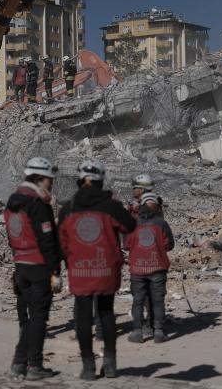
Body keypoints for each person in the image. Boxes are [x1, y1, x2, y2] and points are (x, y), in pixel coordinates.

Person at [59, 160, 136, 381]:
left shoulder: (69, 207)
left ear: (80, 181)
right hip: (106, 268)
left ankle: (88, 367)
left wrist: (70, 259)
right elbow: (130, 226)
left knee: (82, 316)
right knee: (106, 312)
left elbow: (61, 241)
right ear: (100, 181)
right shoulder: (110, 205)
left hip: (80, 269)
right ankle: (110, 364)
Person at [5, 157, 62, 380]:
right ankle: (34, 366)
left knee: (30, 319)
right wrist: (55, 271)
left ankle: (19, 363)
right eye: (49, 180)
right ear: (39, 178)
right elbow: (48, 241)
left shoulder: (12, 201)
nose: (51, 185)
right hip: (39, 266)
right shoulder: (37, 204)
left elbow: (12, 237)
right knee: (39, 318)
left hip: (21, 265)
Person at [126, 193, 174, 344]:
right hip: (158, 267)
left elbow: (126, 245)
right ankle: (158, 332)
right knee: (158, 301)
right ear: (157, 207)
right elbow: (169, 245)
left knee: (138, 301)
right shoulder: (162, 223)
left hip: (138, 269)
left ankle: (137, 332)